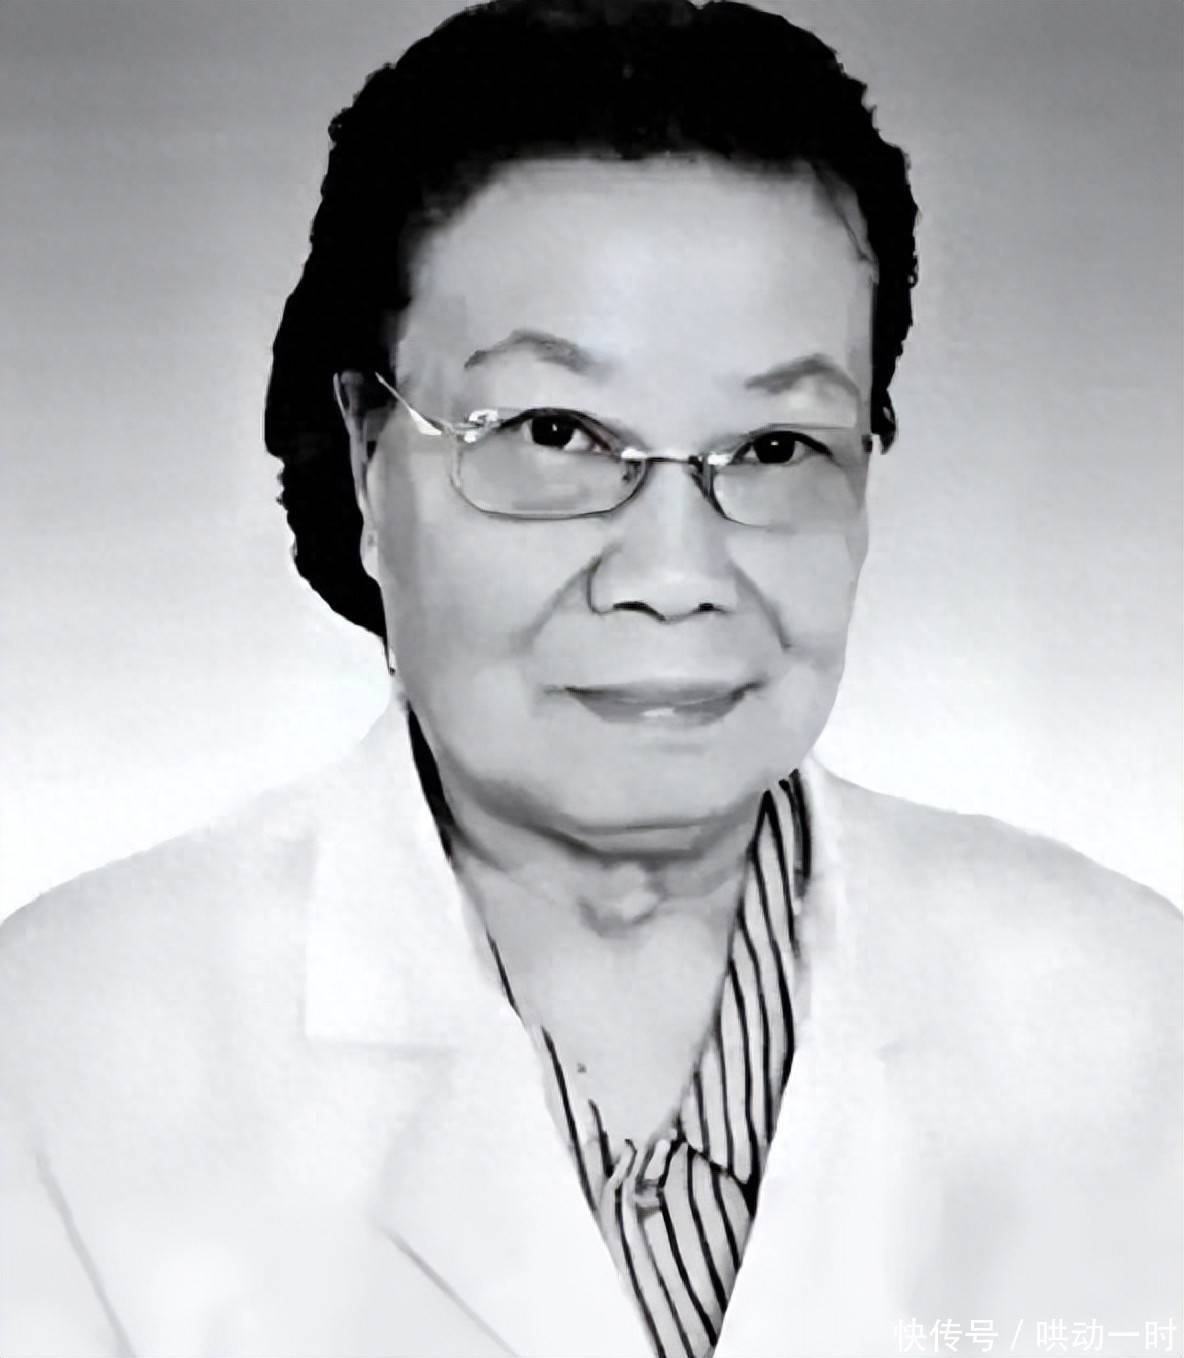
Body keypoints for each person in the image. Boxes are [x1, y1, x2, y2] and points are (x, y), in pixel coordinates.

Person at [1, 1, 1179, 1355]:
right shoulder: (58, 1051)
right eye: (555, 433)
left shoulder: (1133, 1009)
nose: (674, 573)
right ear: (369, 459)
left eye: (777, 446)